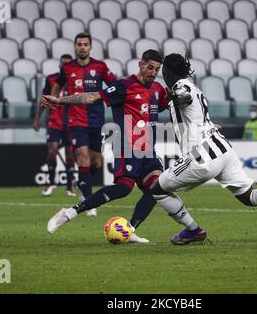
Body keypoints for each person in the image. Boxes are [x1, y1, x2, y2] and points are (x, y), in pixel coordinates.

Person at [147, 54, 257, 245]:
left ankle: (193, 230)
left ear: (167, 72)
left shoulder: (180, 87)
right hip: (223, 149)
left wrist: (174, 96)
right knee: (248, 196)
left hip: (202, 155)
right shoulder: (196, 88)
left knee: (157, 188)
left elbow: (184, 97)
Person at [44, 49, 173, 243]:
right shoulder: (124, 86)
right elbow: (92, 97)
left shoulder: (157, 90)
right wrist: (61, 100)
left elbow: (169, 103)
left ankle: (129, 230)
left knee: (157, 188)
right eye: (150, 67)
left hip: (148, 149)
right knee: (123, 188)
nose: (153, 72)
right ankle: (69, 213)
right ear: (140, 64)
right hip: (127, 146)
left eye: (157, 69)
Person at [51, 32, 116, 216]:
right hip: (75, 120)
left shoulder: (100, 67)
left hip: (96, 119)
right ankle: (90, 203)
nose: (82, 47)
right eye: (79, 44)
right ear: (75, 47)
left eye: (85, 44)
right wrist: (55, 100)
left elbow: (114, 86)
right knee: (82, 157)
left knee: (96, 161)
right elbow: (57, 85)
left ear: (90, 47)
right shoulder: (67, 68)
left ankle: (82, 184)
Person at [34, 54, 76, 197]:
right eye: (63, 64)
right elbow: (44, 99)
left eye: (68, 64)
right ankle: (51, 182)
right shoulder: (51, 79)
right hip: (54, 121)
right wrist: (37, 118)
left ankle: (69, 187)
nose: (65, 66)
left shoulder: (76, 81)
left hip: (71, 122)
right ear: (59, 65)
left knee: (70, 152)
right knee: (52, 149)